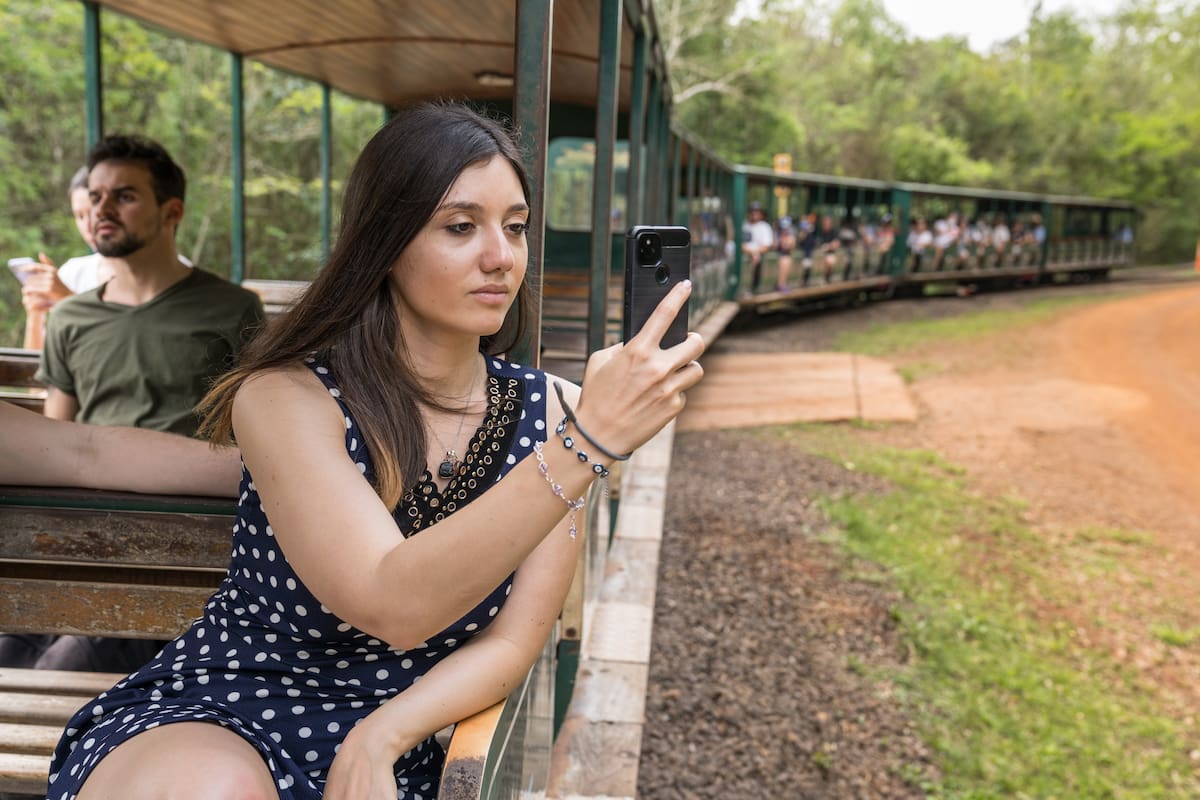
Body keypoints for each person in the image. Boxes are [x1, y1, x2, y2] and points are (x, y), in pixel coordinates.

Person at [47, 102, 704, 800]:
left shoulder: (552, 413)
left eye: (515, 227)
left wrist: (383, 735)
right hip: (232, 710)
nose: (501, 257)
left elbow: (513, 642)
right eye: (461, 227)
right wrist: (590, 444)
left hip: (411, 731)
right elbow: (390, 599)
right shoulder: (286, 397)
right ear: (385, 243)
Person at [35, 135, 264, 437]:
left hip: (198, 482)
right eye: (95, 197)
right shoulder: (68, 317)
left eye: (124, 197)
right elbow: (56, 440)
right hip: (92, 481)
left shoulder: (235, 309)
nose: (101, 210)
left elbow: (264, 429)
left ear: (172, 212)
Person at [740, 201, 774, 294]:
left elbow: (767, 246)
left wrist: (754, 252)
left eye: (757, 211)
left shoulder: (765, 226)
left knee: (756, 257)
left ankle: (753, 288)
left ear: (761, 214)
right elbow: (740, 244)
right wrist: (750, 251)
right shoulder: (744, 225)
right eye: (752, 211)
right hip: (744, 252)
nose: (754, 214)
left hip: (757, 254)